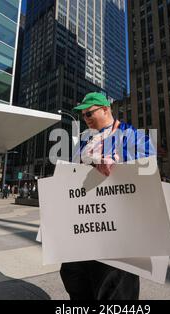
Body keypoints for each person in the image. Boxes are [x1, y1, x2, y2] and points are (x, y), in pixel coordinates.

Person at [59, 92, 154, 300]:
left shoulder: (131, 135)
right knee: (75, 278)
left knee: (115, 285)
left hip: (118, 228)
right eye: (83, 115)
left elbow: (148, 167)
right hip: (83, 223)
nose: (86, 119)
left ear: (105, 109)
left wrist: (118, 164)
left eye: (89, 113)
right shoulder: (84, 141)